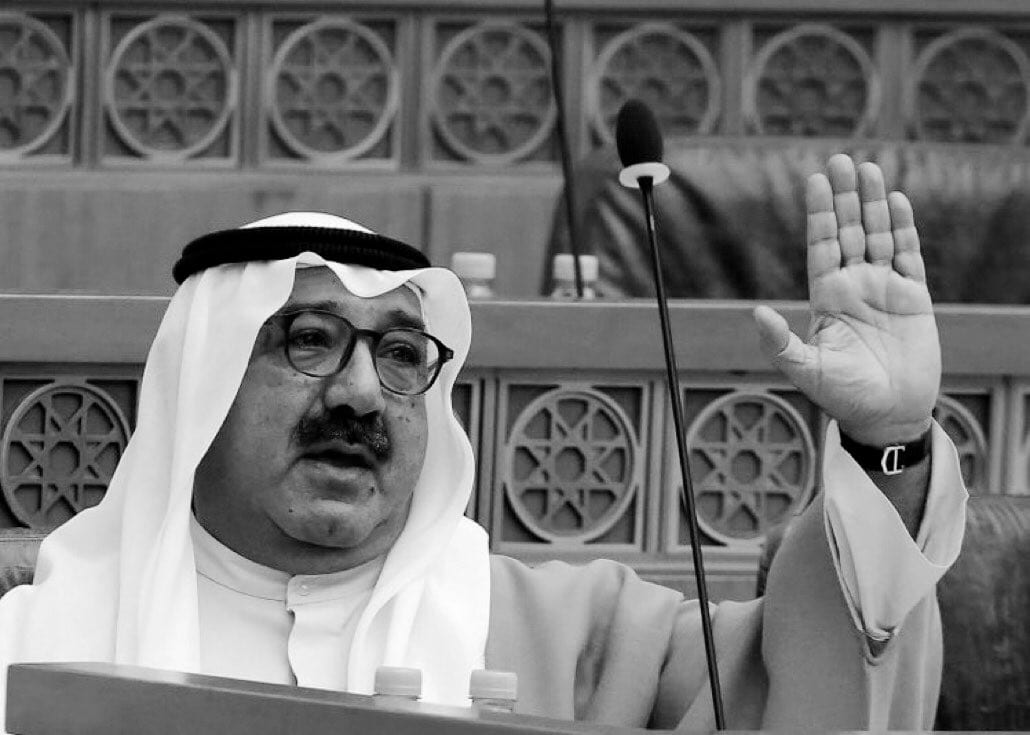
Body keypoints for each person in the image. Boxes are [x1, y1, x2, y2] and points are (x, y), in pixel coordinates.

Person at [0, 154, 966, 731]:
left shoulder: (571, 638)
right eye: (309, 340)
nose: (360, 394)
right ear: (203, 384)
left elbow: (806, 697)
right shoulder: (39, 648)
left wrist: (887, 441)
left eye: (401, 355)